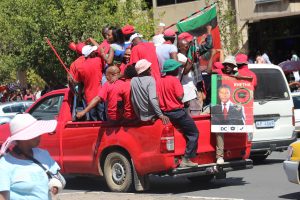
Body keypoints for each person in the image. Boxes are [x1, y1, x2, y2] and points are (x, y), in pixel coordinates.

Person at [0, 113, 65, 200]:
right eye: (35, 132)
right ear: (23, 137)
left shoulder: (43, 155)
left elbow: (58, 178)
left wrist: (56, 187)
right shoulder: (4, 165)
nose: (40, 135)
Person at [158, 59, 199, 168]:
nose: (179, 69)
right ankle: (186, 158)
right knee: (194, 133)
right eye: (177, 68)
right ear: (173, 69)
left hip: (165, 113)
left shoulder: (159, 81)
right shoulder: (174, 80)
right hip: (177, 113)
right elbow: (180, 96)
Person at [130, 59, 169, 124]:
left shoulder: (133, 80)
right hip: (153, 116)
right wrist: (160, 115)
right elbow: (152, 99)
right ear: (145, 70)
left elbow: (133, 100)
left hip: (141, 117)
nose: (150, 69)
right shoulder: (150, 80)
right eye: (149, 68)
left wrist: (138, 115)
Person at [73, 45, 106, 121]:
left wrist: (80, 94)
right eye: (93, 52)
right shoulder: (98, 60)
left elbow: (78, 82)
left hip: (89, 98)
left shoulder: (80, 67)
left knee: (93, 121)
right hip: (100, 95)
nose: (94, 52)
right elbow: (101, 50)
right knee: (103, 120)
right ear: (90, 54)